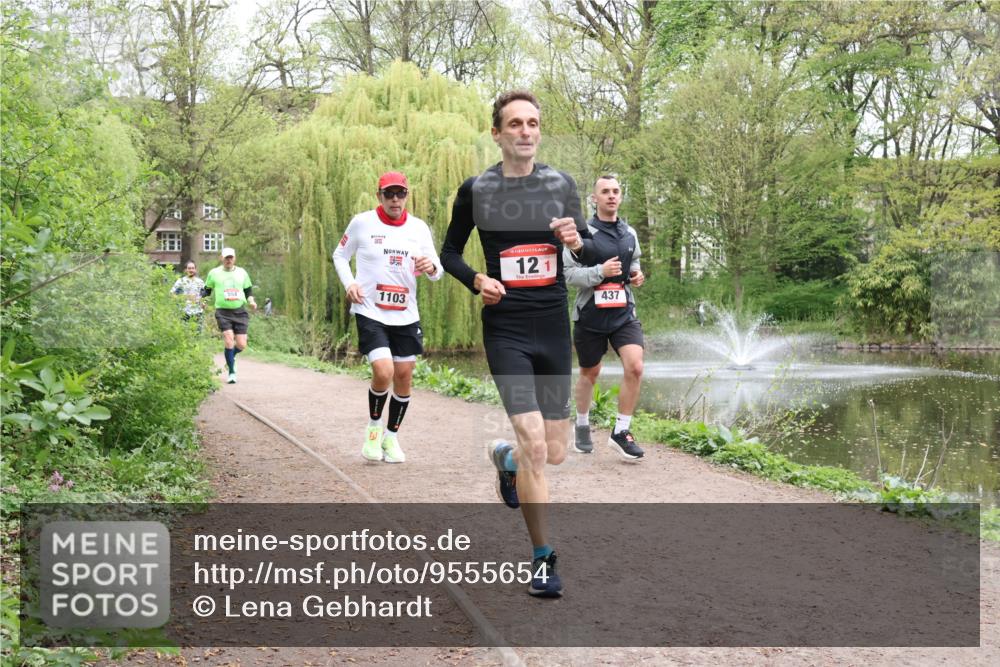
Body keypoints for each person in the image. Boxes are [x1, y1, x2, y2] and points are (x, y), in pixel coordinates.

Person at [441, 90, 599, 598]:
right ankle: (542, 558)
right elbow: (448, 252)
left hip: (553, 328)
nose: (526, 131)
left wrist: (576, 242)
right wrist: (475, 280)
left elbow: (589, 247)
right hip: (505, 328)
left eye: (533, 123)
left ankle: (504, 460)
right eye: (515, 124)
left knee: (553, 453)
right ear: (497, 133)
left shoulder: (560, 184)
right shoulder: (477, 189)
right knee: (537, 447)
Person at [332, 172, 443, 464]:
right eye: (389, 193)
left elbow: (437, 271)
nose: (395, 199)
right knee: (384, 372)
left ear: (407, 196)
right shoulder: (362, 222)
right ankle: (373, 428)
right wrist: (350, 284)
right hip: (370, 309)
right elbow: (340, 255)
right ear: (379, 195)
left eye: (401, 193)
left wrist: (430, 266)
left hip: (405, 313)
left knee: (404, 375)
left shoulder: (419, 228)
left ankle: (391, 438)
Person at [564, 175, 646, 460]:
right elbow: (569, 275)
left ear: (620, 197)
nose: (611, 196)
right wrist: (600, 272)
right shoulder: (580, 234)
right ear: (594, 198)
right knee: (590, 373)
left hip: (624, 313)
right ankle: (582, 424)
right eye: (605, 192)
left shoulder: (630, 233)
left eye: (616, 191)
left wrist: (636, 274)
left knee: (635, 367)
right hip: (591, 315)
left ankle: (621, 431)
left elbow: (633, 260)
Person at [203, 248, 256, 384]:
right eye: (226, 257)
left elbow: (248, 289)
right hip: (222, 312)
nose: (229, 260)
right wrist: (203, 301)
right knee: (228, 340)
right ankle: (232, 372)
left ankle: (231, 357)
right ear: (222, 258)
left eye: (231, 257)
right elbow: (207, 290)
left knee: (242, 344)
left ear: (234, 259)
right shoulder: (214, 273)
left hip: (240, 311)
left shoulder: (242, 272)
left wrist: (251, 301)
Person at [171, 261, 205, 331]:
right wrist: (180, 299)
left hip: (198, 312)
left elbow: (204, 295)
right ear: (186, 270)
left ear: (195, 270)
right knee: (184, 333)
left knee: (197, 334)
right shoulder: (181, 281)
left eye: (192, 268)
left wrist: (204, 302)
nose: (191, 270)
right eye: (189, 268)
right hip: (184, 312)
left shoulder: (200, 282)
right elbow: (171, 294)